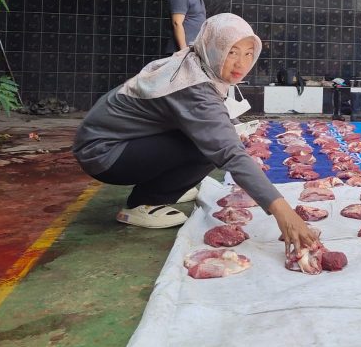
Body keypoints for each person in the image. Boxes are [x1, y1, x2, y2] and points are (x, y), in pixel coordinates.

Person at [73, 13, 316, 253]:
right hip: (104, 154)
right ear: (213, 48)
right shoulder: (195, 86)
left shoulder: (195, 61)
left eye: (248, 53)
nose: (241, 63)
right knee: (207, 148)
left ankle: (168, 186)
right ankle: (144, 203)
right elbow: (228, 151)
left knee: (212, 137)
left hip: (115, 140)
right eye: (231, 52)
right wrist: (284, 212)